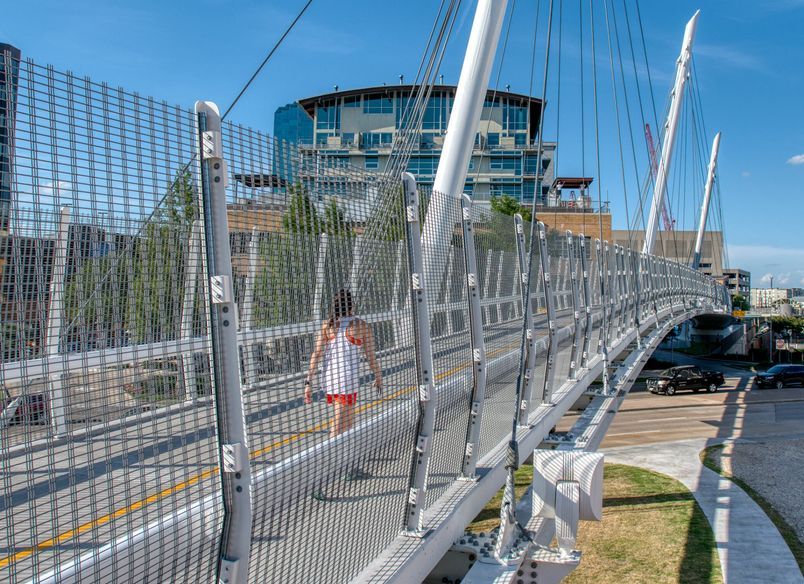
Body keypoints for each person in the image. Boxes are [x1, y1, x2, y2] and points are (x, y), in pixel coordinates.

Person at [305, 289, 382, 438]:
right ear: (351, 305)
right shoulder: (360, 325)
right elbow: (371, 357)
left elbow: (317, 354)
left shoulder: (328, 325)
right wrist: (378, 376)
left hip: (330, 378)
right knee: (340, 422)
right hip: (347, 379)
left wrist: (308, 382)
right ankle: (331, 456)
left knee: (348, 420)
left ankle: (345, 454)